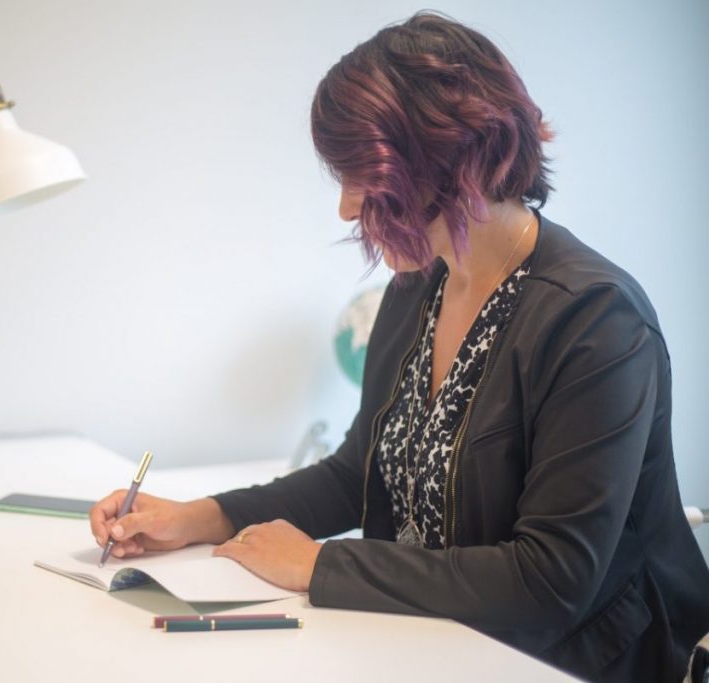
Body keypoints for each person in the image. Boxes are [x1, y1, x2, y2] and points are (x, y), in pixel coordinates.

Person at [89, 12, 709, 682]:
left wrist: (320, 564)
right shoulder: (419, 287)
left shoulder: (595, 320)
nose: (346, 208)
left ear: (450, 162)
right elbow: (359, 473)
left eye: (364, 175)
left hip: (578, 662)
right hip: (440, 646)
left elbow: (551, 579)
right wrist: (199, 518)